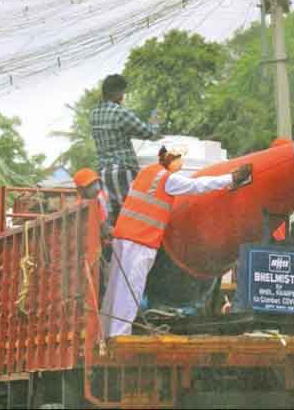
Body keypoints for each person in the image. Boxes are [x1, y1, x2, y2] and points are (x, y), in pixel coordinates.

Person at [99, 144, 252, 337]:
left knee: (116, 289)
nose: (182, 163)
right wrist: (231, 178)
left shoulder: (147, 172)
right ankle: (120, 336)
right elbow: (198, 186)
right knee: (132, 292)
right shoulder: (167, 179)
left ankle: (105, 333)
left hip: (124, 238)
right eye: (180, 159)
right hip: (141, 241)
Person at [90, 74, 161, 228]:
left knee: (114, 218)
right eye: (122, 92)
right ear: (116, 93)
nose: (123, 96)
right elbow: (148, 133)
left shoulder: (94, 114)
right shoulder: (120, 113)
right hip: (123, 171)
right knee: (132, 216)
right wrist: (155, 123)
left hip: (103, 173)